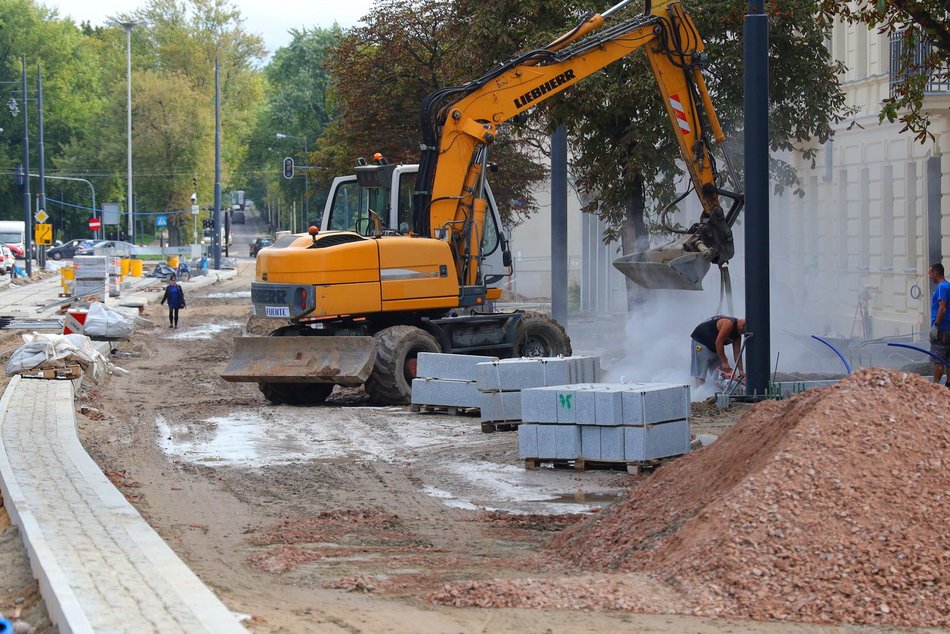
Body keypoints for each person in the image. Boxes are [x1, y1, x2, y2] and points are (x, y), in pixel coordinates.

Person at [690, 315, 746, 385]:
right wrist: (725, 361)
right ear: (743, 326)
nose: (743, 334)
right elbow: (719, 343)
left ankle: (715, 393)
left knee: (720, 374)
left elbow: (737, 352)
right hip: (701, 340)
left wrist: (741, 370)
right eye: (744, 331)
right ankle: (699, 393)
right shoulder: (729, 323)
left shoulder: (738, 334)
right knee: (701, 373)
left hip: (714, 346)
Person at [928, 262, 950, 386]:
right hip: (949, 328)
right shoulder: (949, 286)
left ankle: (935, 386)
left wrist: (936, 326)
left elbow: (942, 308)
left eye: (930, 273)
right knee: (949, 359)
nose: (929, 277)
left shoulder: (941, 287)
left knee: (938, 359)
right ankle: (948, 386)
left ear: (936, 273)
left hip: (941, 330)